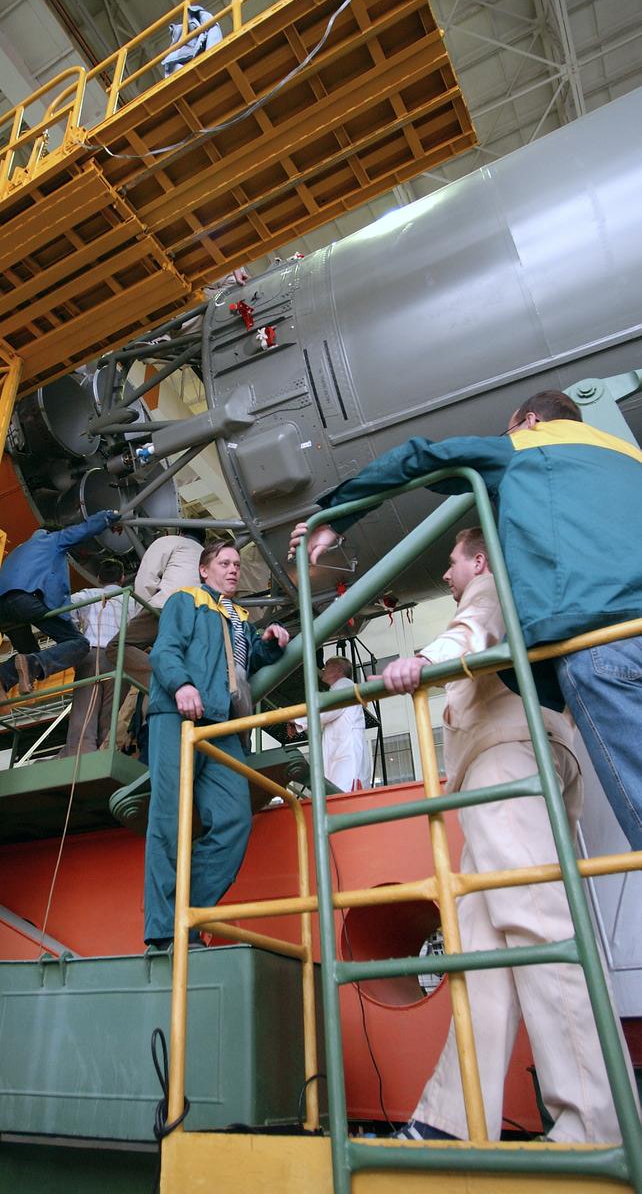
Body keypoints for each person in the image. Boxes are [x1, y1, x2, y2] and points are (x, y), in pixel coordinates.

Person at [289, 389, 642, 851]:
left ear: (529, 420)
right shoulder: (629, 457)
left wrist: (337, 517)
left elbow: (420, 458)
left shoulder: (525, 445)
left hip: (596, 641)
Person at [378, 527, 630, 1143]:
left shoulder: (495, 582)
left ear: (480, 557)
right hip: (506, 774)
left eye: (452, 561)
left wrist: (423, 662)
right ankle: (453, 1120)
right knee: (485, 959)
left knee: (540, 931)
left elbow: (475, 625)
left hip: (507, 767)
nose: (446, 574)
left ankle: (596, 1124)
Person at [144, 539, 290, 950]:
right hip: (179, 715)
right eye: (224, 563)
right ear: (204, 570)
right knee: (169, 820)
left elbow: (241, 664)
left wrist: (270, 642)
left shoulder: (240, 617)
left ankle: (187, 917)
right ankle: (162, 932)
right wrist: (182, 684)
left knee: (234, 821)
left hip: (223, 726)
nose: (233, 570)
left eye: (236, 564)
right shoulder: (186, 600)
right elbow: (165, 650)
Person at [0, 512, 117, 713]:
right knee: (79, 644)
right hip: (26, 600)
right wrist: (109, 518)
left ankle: (1, 678)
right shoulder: (52, 539)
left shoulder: (18, 551)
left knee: (31, 653)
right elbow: (83, 530)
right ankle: (25, 665)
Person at [103, 531, 204, 742]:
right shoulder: (207, 555)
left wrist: (146, 608)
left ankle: (166, 686)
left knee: (117, 647)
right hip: (200, 618)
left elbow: (146, 580)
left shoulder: (170, 541)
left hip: (165, 607)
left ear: (179, 532)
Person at [66, 559, 126, 757]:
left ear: (99, 578)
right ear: (123, 579)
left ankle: (80, 753)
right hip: (121, 659)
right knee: (113, 711)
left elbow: (65, 610)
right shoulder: (132, 600)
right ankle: (107, 751)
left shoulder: (87, 595)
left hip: (92, 653)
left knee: (85, 710)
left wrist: (75, 639)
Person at [289, 655, 371, 792]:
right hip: (341, 755)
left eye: (327, 665)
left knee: (344, 799)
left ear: (339, 669)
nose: (323, 668)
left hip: (346, 759)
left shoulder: (344, 684)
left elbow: (327, 711)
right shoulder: (340, 688)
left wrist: (294, 717)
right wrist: (298, 723)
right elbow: (322, 720)